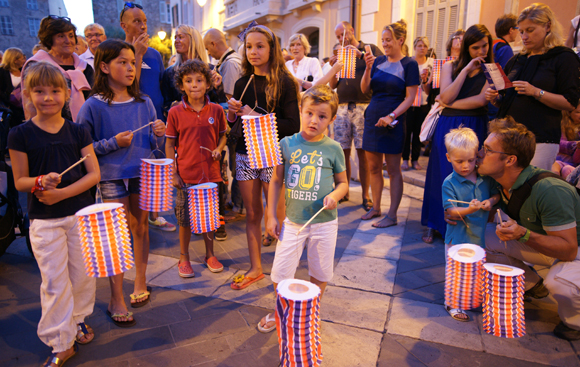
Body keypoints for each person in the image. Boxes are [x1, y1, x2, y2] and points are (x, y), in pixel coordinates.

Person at [8, 62, 101, 366]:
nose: (48, 97)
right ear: (28, 94)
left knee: (83, 277)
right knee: (54, 282)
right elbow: (20, 179)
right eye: (39, 91)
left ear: (66, 92)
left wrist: (60, 193)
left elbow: (93, 175)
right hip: (44, 222)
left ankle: (77, 320)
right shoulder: (20, 134)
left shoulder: (78, 130)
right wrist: (38, 181)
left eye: (55, 91)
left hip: (80, 217)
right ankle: (61, 342)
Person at [77, 39, 166, 326]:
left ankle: (140, 281)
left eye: (132, 62)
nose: (130, 68)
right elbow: (84, 147)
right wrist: (111, 143)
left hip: (142, 173)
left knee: (140, 227)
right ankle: (116, 296)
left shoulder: (145, 102)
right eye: (123, 62)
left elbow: (154, 142)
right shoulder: (93, 105)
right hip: (111, 176)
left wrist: (160, 133)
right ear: (104, 66)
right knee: (116, 237)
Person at [477, 117, 580, 341]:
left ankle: (575, 321)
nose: (479, 153)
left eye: (487, 149)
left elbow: (569, 249)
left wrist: (523, 234)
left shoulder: (549, 189)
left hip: (575, 250)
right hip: (548, 244)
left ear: (510, 160)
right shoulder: (498, 181)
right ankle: (533, 284)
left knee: (560, 283)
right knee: (480, 239)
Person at [257, 85, 348, 333]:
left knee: (320, 270)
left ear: (332, 119)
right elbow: (276, 180)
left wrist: (335, 196)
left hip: (325, 223)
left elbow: (343, 183)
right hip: (294, 221)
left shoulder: (333, 149)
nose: (314, 121)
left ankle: (311, 309)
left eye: (322, 116)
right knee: (280, 272)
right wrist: (271, 215)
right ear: (300, 110)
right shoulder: (286, 144)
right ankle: (281, 310)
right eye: (309, 113)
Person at [227, 24, 300, 290]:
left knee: (278, 217)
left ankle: (283, 273)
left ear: (272, 49)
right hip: (246, 154)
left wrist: (254, 116)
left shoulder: (285, 82)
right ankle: (256, 268)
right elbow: (233, 122)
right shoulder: (241, 82)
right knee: (252, 214)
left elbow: (293, 124)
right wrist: (233, 113)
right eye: (249, 47)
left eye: (260, 46)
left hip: (273, 155)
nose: (253, 52)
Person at [486, 3, 580, 170]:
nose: (524, 36)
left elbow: (570, 102)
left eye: (530, 30)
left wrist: (536, 92)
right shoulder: (517, 60)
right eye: (521, 31)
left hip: (540, 139)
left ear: (548, 26)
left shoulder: (563, 58)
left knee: (531, 189)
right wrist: (496, 99)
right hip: (508, 137)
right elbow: (508, 99)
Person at [421, 24, 492, 244]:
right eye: (475, 48)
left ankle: (465, 223)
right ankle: (436, 223)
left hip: (475, 124)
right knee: (441, 173)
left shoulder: (491, 69)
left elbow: (480, 101)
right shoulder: (450, 66)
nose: (481, 51)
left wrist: (448, 103)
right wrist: (465, 69)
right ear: (466, 49)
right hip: (448, 124)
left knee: (470, 174)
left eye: (484, 46)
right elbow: (445, 94)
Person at [165, 59, 227, 278]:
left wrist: (219, 149)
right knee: (184, 218)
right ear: (182, 85)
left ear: (207, 84)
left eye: (199, 80)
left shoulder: (217, 110)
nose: (194, 85)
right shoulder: (175, 113)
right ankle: (184, 257)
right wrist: (172, 173)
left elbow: (222, 135)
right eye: (188, 81)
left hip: (210, 175)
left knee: (209, 217)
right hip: (186, 175)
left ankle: (210, 254)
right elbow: (170, 144)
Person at [120, 2, 176, 233]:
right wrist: (137, 54)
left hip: (155, 121)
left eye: (144, 21)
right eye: (136, 21)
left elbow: (162, 85)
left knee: (155, 166)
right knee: (133, 173)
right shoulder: (118, 52)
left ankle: (153, 215)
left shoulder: (154, 54)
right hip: (130, 121)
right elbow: (129, 86)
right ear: (124, 25)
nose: (143, 26)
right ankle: (132, 222)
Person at [360, 20, 419, 228]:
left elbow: (410, 98)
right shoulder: (377, 62)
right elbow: (365, 89)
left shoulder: (410, 65)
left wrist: (392, 116)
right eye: (382, 40)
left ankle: (392, 215)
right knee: (373, 167)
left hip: (393, 121)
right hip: (372, 118)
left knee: (394, 170)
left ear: (400, 40)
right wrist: (368, 68)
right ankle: (376, 208)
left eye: (388, 40)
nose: (384, 44)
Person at [441, 127, 499, 321]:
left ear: (477, 157)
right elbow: (451, 211)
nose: (466, 166)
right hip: (457, 237)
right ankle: (452, 302)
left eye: (471, 160)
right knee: (456, 272)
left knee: (475, 271)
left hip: (478, 235)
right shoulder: (449, 183)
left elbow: (496, 194)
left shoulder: (485, 178)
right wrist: (470, 210)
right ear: (449, 158)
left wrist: (490, 202)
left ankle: (469, 300)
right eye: (459, 161)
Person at [329, 21, 383, 211]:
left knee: (363, 152)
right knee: (342, 152)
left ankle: (366, 195)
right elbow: (333, 85)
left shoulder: (369, 48)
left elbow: (380, 67)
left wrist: (360, 54)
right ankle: (344, 191)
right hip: (342, 106)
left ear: (351, 31)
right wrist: (333, 67)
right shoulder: (340, 52)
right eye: (337, 36)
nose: (340, 39)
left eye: (342, 34)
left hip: (363, 105)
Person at [203, 28, 245, 219]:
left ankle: (239, 207)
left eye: (207, 48)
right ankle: (237, 204)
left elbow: (229, 100)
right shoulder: (232, 61)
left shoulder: (229, 64)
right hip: (236, 124)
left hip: (236, 125)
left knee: (238, 165)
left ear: (213, 44)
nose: (208, 53)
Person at [21, 15, 94, 123]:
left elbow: (93, 99)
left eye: (71, 36)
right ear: (50, 40)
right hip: (48, 128)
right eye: (61, 36)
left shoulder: (84, 67)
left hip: (83, 129)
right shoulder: (37, 65)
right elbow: (31, 103)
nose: (68, 41)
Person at [162, 25, 209, 115]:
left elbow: (221, 103)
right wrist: (175, 105)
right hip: (180, 124)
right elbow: (165, 104)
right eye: (175, 38)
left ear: (193, 40)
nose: (176, 41)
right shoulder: (169, 73)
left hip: (205, 123)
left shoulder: (210, 70)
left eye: (180, 37)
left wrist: (218, 87)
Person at [402, 36, 433, 171]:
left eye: (425, 46)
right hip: (409, 102)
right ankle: (404, 159)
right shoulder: (409, 62)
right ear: (414, 47)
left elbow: (431, 88)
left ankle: (415, 160)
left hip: (423, 102)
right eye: (420, 45)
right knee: (406, 132)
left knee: (418, 133)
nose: (422, 48)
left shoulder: (430, 63)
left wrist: (425, 80)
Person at [0, 48, 26, 127]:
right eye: (21, 58)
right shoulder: (2, 71)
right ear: (15, 60)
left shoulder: (24, 70)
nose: (23, 60)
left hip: (24, 106)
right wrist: (8, 98)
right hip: (9, 107)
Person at [552, 105, 580, 178]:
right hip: (562, 159)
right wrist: (574, 145)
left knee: (567, 170)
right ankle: (554, 185)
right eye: (578, 112)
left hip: (575, 163)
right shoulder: (562, 125)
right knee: (554, 165)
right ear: (569, 112)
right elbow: (558, 143)